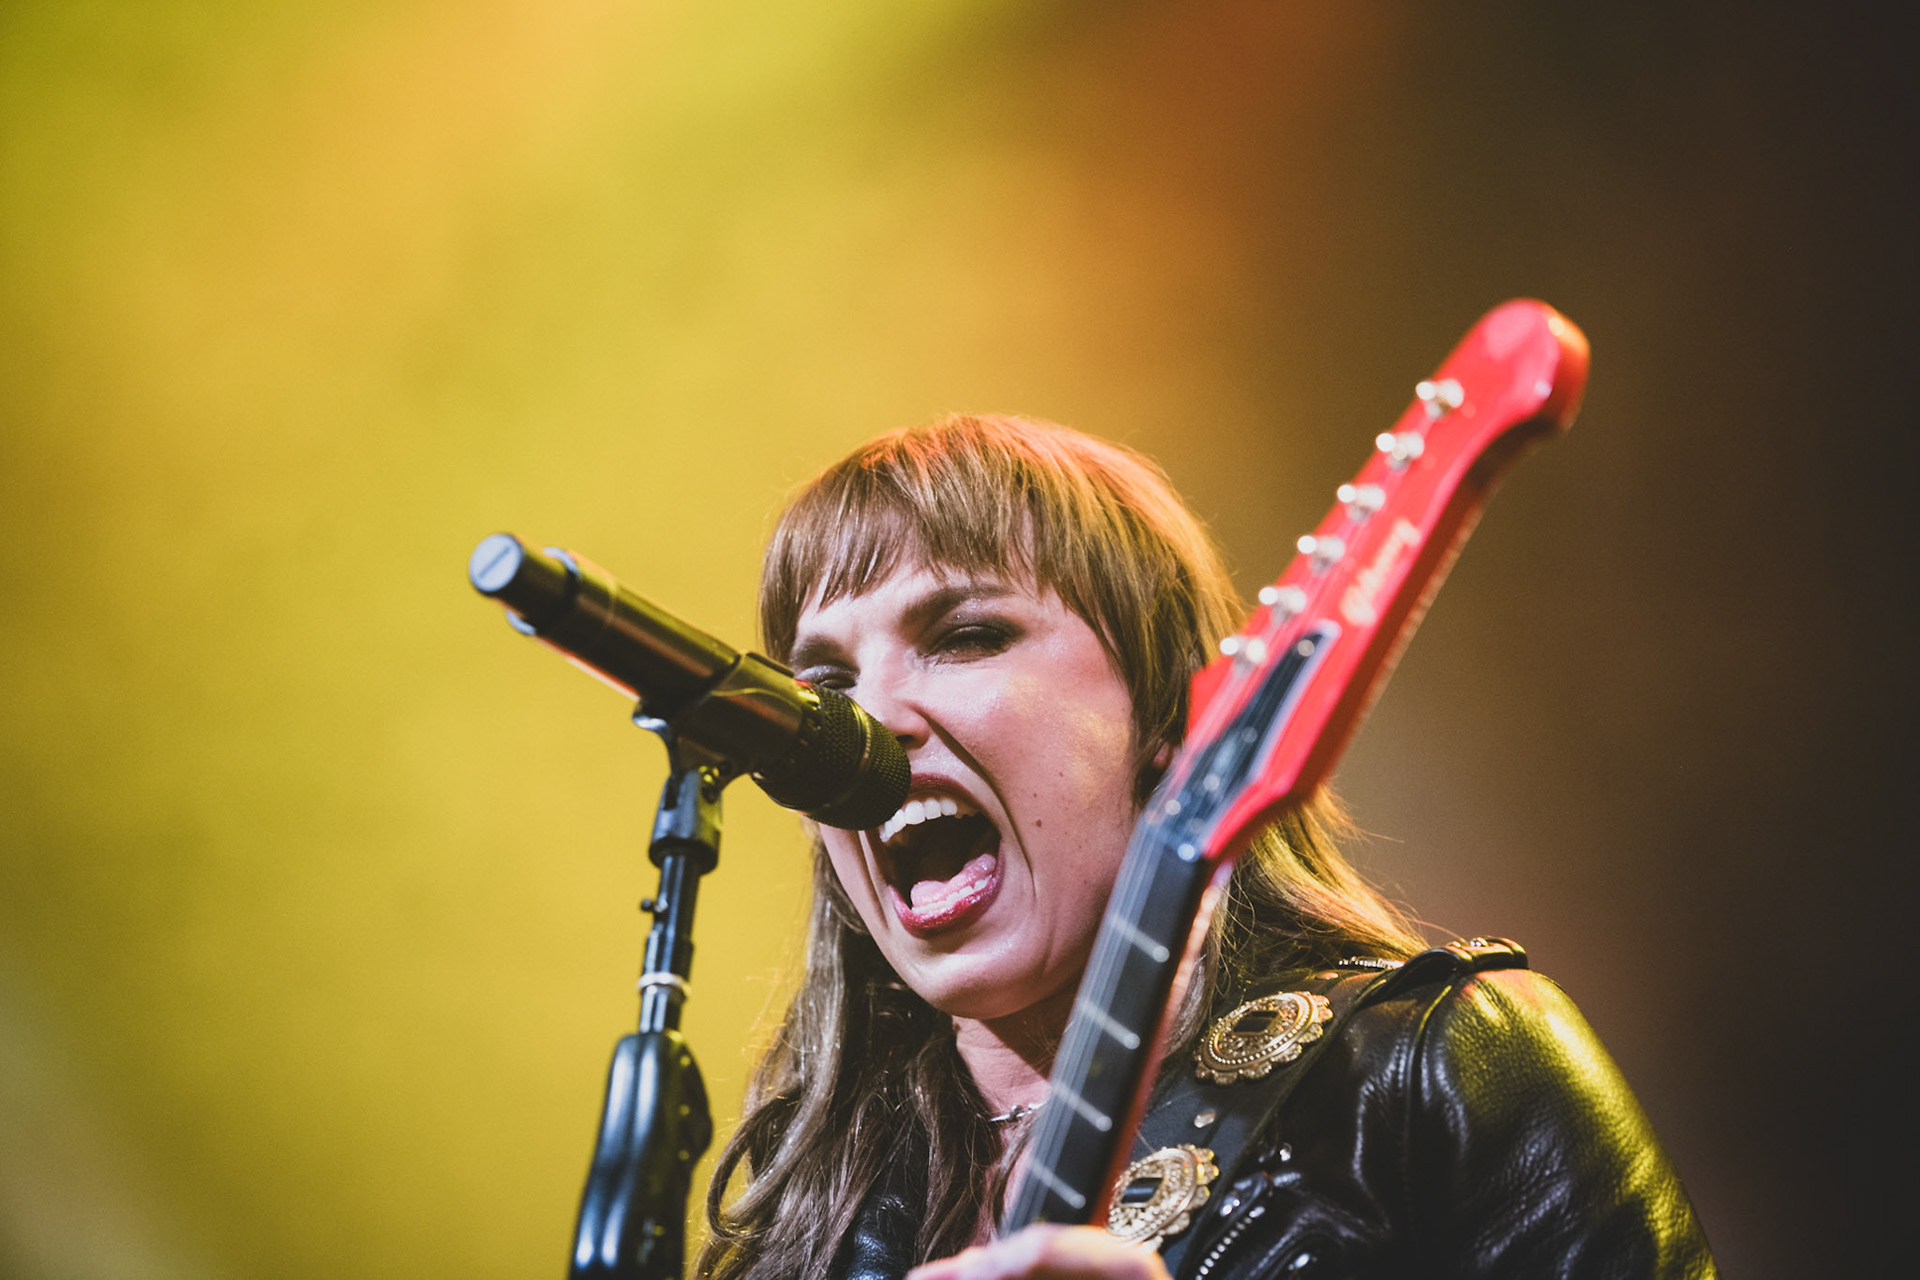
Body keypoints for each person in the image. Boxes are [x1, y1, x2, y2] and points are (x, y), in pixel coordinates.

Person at [695, 414, 1714, 1280]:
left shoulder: (1435, 1073)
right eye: (825, 688)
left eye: (965, 636)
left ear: (1167, 712)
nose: (869, 725)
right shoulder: (802, 1215)